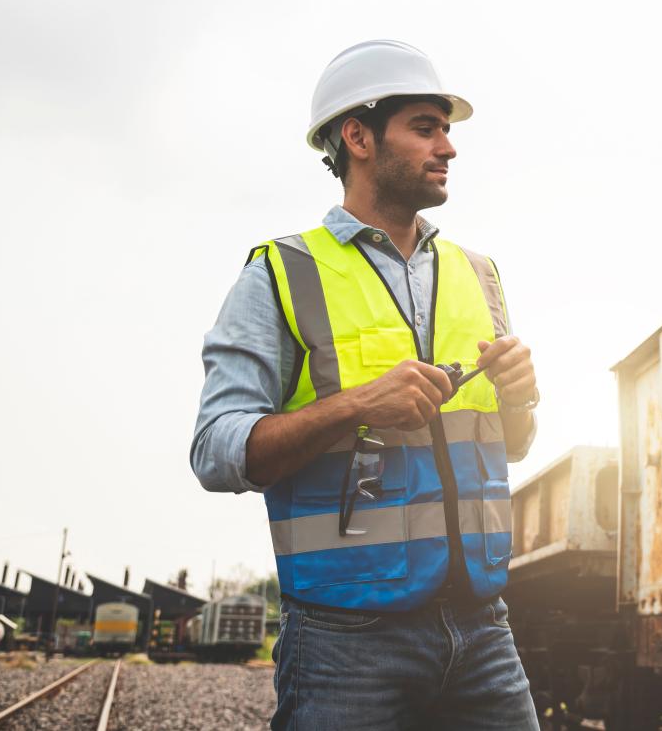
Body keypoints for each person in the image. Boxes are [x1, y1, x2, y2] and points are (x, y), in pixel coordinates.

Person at [191, 40, 542, 730]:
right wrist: (357, 406)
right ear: (357, 135)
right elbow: (216, 450)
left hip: (482, 630)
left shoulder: (481, 275)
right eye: (425, 127)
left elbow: (516, 445)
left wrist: (521, 397)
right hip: (344, 644)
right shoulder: (281, 274)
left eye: (447, 129)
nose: (448, 147)